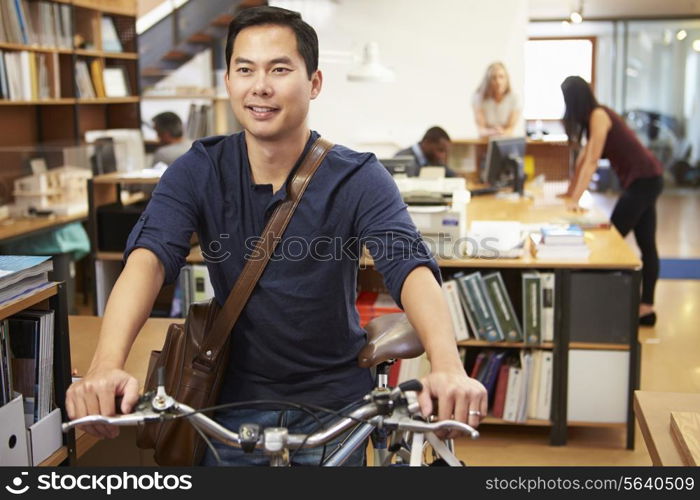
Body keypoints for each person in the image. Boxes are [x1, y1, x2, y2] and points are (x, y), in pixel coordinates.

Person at [65, 6, 487, 466]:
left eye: (279, 69)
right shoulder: (198, 169)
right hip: (228, 405)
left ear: (315, 83)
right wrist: (105, 366)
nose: (260, 86)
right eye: (245, 69)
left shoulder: (358, 176)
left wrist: (447, 365)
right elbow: (148, 259)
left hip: (336, 406)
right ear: (228, 81)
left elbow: (409, 266)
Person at [559, 76, 663, 326]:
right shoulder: (593, 117)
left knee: (610, 239)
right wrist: (569, 192)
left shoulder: (598, 115)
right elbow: (584, 157)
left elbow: (593, 160)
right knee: (646, 243)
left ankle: (608, 303)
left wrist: (574, 200)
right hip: (647, 179)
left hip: (644, 180)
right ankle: (646, 308)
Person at [472, 62, 520, 138]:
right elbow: (481, 130)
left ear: (507, 78)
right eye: (494, 78)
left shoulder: (514, 98)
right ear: (488, 80)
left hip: (506, 140)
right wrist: (493, 132)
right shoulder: (478, 98)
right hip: (485, 140)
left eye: (501, 77)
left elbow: (511, 128)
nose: (498, 82)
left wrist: (502, 132)